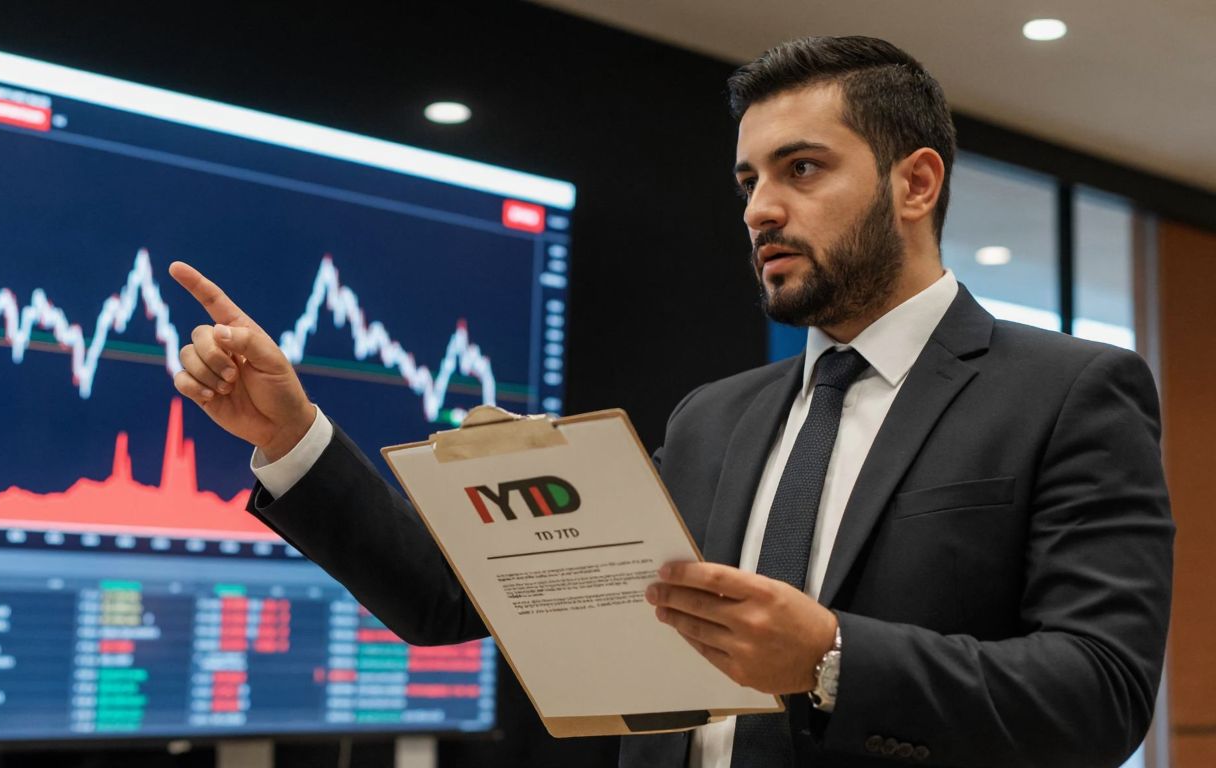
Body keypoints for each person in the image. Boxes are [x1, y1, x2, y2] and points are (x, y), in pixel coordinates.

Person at [168, 36, 1172, 768]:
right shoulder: (713, 417)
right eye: (746, 179)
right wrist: (290, 435)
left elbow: (1099, 694)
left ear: (914, 184)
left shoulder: (1069, 393)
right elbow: (440, 605)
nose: (758, 208)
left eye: (801, 169)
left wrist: (831, 657)